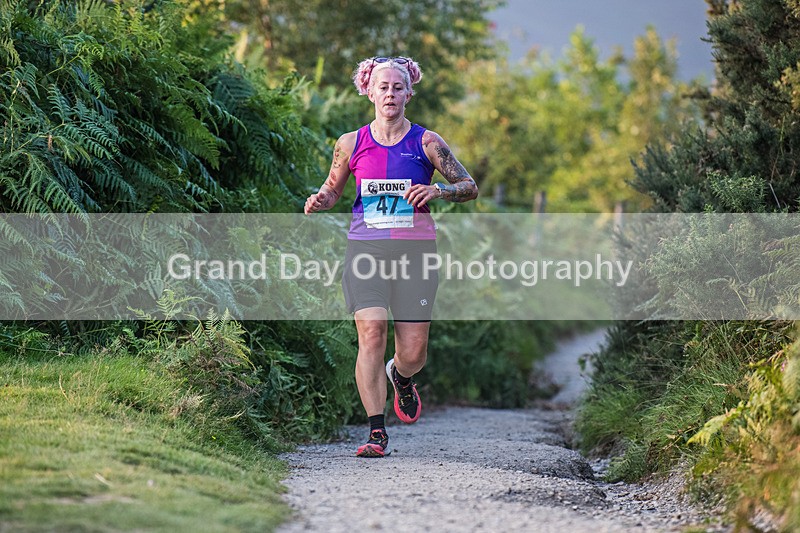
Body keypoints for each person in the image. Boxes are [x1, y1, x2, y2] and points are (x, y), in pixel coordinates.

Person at [304, 56, 478, 457]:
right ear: (368, 91)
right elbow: (333, 188)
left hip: (415, 252)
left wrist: (438, 191)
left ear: (409, 93)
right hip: (366, 248)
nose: (390, 94)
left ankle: (400, 376)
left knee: (414, 352)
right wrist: (321, 199)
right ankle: (376, 432)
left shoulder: (427, 142)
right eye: (382, 87)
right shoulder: (350, 143)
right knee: (371, 333)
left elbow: (468, 185)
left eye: (398, 87)